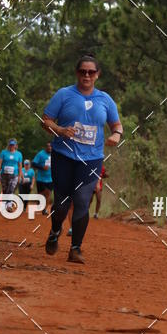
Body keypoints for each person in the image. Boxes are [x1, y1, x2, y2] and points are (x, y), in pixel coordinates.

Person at [42, 55, 122, 264]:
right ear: (77, 73)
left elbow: (116, 125)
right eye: (83, 71)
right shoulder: (64, 94)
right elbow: (46, 120)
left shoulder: (105, 99)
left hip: (92, 159)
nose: (87, 75)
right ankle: (54, 231)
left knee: (81, 201)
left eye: (91, 72)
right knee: (61, 205)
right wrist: (59, 129)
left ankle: (75, 248)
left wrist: (116, 135)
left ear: (97, 75)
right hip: (64, 156)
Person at [0, 138, 23, 203]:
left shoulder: (19, 154)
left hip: (14, 175)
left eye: (13, 145)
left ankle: (9, 204)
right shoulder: (3, 152)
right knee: (5, 190)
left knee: (11, 189)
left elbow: (20, 166)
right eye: (10, 145)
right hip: (4, 175)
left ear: (16, 145)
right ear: (8, 145)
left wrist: (19, 176)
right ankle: (5, 204)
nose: (12, 146)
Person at [32, 141, 53, 215]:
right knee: (41, 194)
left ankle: (44, 210)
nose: (49, 148)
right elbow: (33, 163)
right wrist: (42, 167)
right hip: (41, 179)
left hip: (50, 178)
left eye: (51, 146)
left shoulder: (55, 154)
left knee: (48, 194)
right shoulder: (41, 154)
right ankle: (40, 205)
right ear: (45, 147)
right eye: (48, 146)